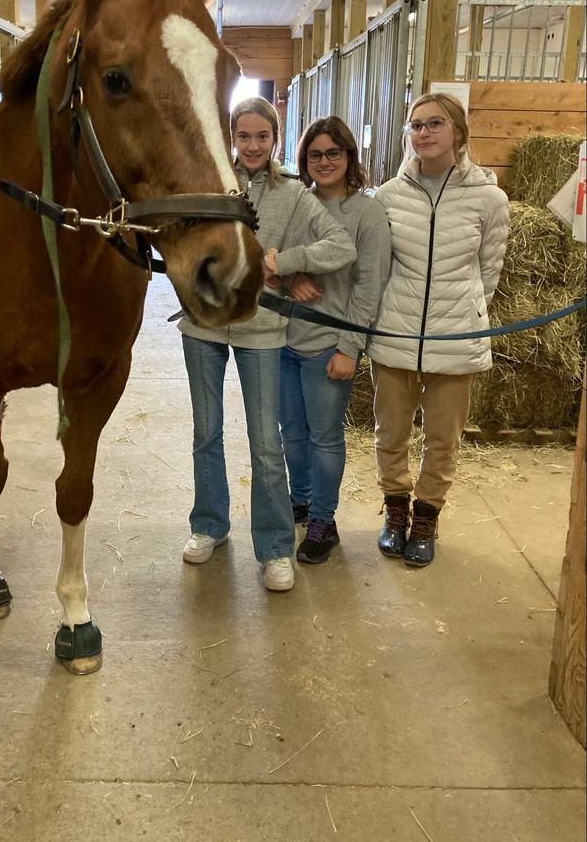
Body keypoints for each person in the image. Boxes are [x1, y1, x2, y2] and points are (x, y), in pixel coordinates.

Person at [178, 97, 357, 592]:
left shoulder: (296, 194)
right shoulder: (208, 180)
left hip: (261, 330)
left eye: (262, 136)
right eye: (243, 136)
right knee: (206, 432)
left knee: (265, 442)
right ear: (231, 138)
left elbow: (341, 245)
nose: (252, 146)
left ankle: (275, 547)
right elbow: (177, 238)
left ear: (276, 139)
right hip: (204, 325)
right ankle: (208, 525)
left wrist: (286, 262)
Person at [368, 91, 509, 568]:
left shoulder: (489, 199)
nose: (423, 133)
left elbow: (489, 270)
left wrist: (465, 315)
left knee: (443, 438)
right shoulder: (387, 196)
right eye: (416, 125)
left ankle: (426, 518)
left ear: (458, 132)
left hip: (455, 337)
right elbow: (379, 267)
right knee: (391, 433)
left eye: (434, 124)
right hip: (395, 334)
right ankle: (395, 513)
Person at [279, 117, 391, 564]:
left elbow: (370, 284)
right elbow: (270, 262)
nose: (324, 162)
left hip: (330, 342)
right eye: (315, 154)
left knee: (325, 437)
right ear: (304, 160)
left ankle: (324, 520)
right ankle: (300, 500)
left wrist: (350, 347)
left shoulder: (367, 213)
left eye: (333, 153)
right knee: (292, 434)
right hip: (285, 339)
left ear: (349, 157)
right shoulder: (295, 204)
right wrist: (290, 281)